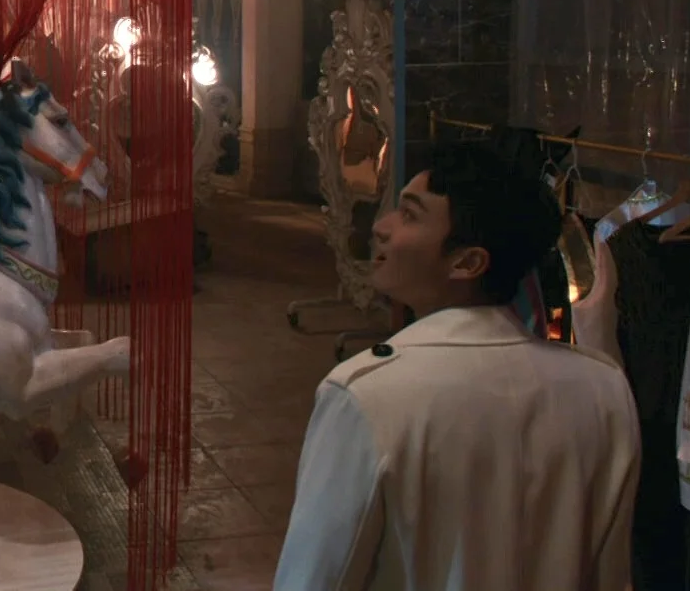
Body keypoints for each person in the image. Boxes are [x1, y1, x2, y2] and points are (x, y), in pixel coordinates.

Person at [274, 140, 640, 591]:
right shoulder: (603, 387)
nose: (383, 227)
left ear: (468, 262)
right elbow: (611, 572)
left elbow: (315, 575)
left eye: (409, 215)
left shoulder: (365, 394)